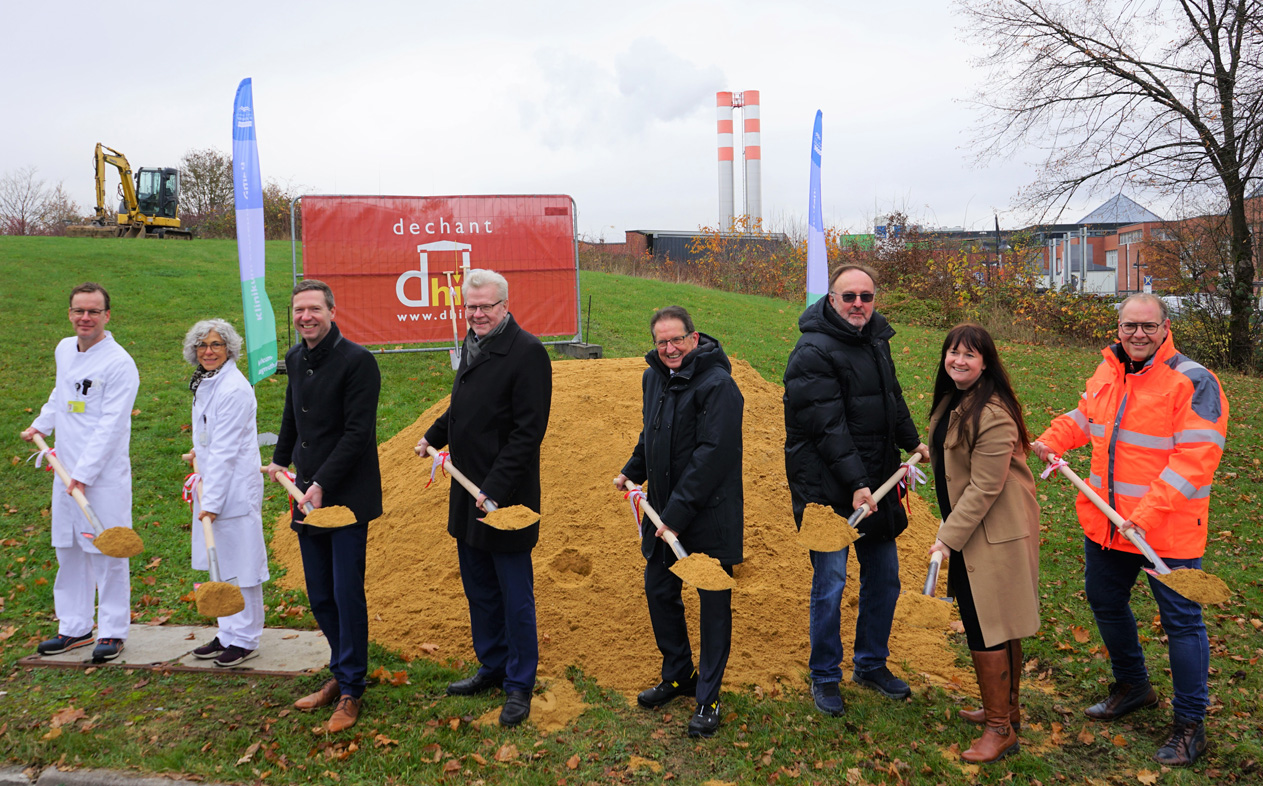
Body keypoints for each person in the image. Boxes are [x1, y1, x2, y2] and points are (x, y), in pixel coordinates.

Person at [1032, 293, 1228, 766]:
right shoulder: (1108, 370)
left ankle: (1189, 723)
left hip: (1166, 529)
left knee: (1181, 622)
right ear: (1117, 329)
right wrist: (1052, 438)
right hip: (1108, 523)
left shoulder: (1194, 381)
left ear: (1165, 328)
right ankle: (1134, 685)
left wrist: (1145, 514)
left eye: (1147, 326)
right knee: (1105, 601)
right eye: (1129, 327)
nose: (1137, 335)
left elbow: (1196, 460)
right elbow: (1086, 418)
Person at [782, 264, 929, 716]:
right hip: (828, 490)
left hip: (875, 485)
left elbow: (892, 399)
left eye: (866, 296)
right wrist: (856, 485)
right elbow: (828, 428)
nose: (858, 304)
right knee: (830, 583)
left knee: (884, 578)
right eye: (849, 296)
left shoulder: (877, 340)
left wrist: (912, 440)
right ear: (831, 300)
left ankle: (870, 664)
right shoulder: (811, 352)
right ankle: (825, 675)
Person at [414, 269, 552, 728]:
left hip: (504, 500)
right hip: (465, 491)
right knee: (480, 589)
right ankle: (492, 666)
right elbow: (465, 406)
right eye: (471, 306)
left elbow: (528, 432)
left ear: (505, 306)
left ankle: (519, 684)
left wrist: (495, 486)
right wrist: (434, 434)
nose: (477, 314)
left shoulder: (527, 352)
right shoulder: (474, 344)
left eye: (486, 306)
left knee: (514, 595)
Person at [614, 305, 744, 739]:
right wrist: (634, 469)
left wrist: (673, 516)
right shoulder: (654, 377)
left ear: (694, 337)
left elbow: (712, 456)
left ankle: (708, 695)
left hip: (707, 514)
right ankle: (678, 674)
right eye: (661, 342)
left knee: (712, 604)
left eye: (676, 340)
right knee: (659, 590)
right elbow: (651, 432)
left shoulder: (718, 385)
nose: (669, 349)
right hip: (666, 513)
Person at [265, 280, 382, 733]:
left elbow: (357, 433)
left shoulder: (358, 362)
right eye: (299, 310)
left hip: (345, 496)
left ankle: (352, 688)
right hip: (305, 496)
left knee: (346, 591)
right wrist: (280, 461)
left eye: (314, 308)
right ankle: (341, 670)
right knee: (320, 592)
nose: (306, 317)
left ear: (333, 311)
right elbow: (293, 416)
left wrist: (321, 484)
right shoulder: (295, 359)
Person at [926, 324, 1040, 764]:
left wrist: (946, 539)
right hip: (975, 528)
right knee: (993, 620)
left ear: (986, 361)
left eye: (969, 355)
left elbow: (985, 486)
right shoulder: (957, 400)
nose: (958, 361)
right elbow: (953, 455)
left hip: (993, 533)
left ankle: (999, 729)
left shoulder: (991, 412)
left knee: (987, 622)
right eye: (952, 352)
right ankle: (1006, 711)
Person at [22, 282, 139, 663]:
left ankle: (112, 631)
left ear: (107, 315)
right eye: (78, 311)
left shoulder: (119, 363)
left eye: (93, 311)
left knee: (107, 551)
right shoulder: (63, 349)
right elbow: (61, 396)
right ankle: (74, 627)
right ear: (70, 313)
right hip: (64, 470)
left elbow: (111, 426)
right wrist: (41, 424)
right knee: (69, 549)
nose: (85, 318)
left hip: (100, 477)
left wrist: (85, 474)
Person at [181, 319, 270, 668]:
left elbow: (226, 449)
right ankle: (227, 631)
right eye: (202, 345)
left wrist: (212, 502)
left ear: (229, 349)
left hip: (231, 488)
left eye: (216, 345)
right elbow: (208, 437)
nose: (208, 351)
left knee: (242, 563)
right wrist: (196, 453)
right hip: (213, 481)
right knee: (221, 563)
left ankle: (246, 637)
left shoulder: (233, 388)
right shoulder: (206, 382)